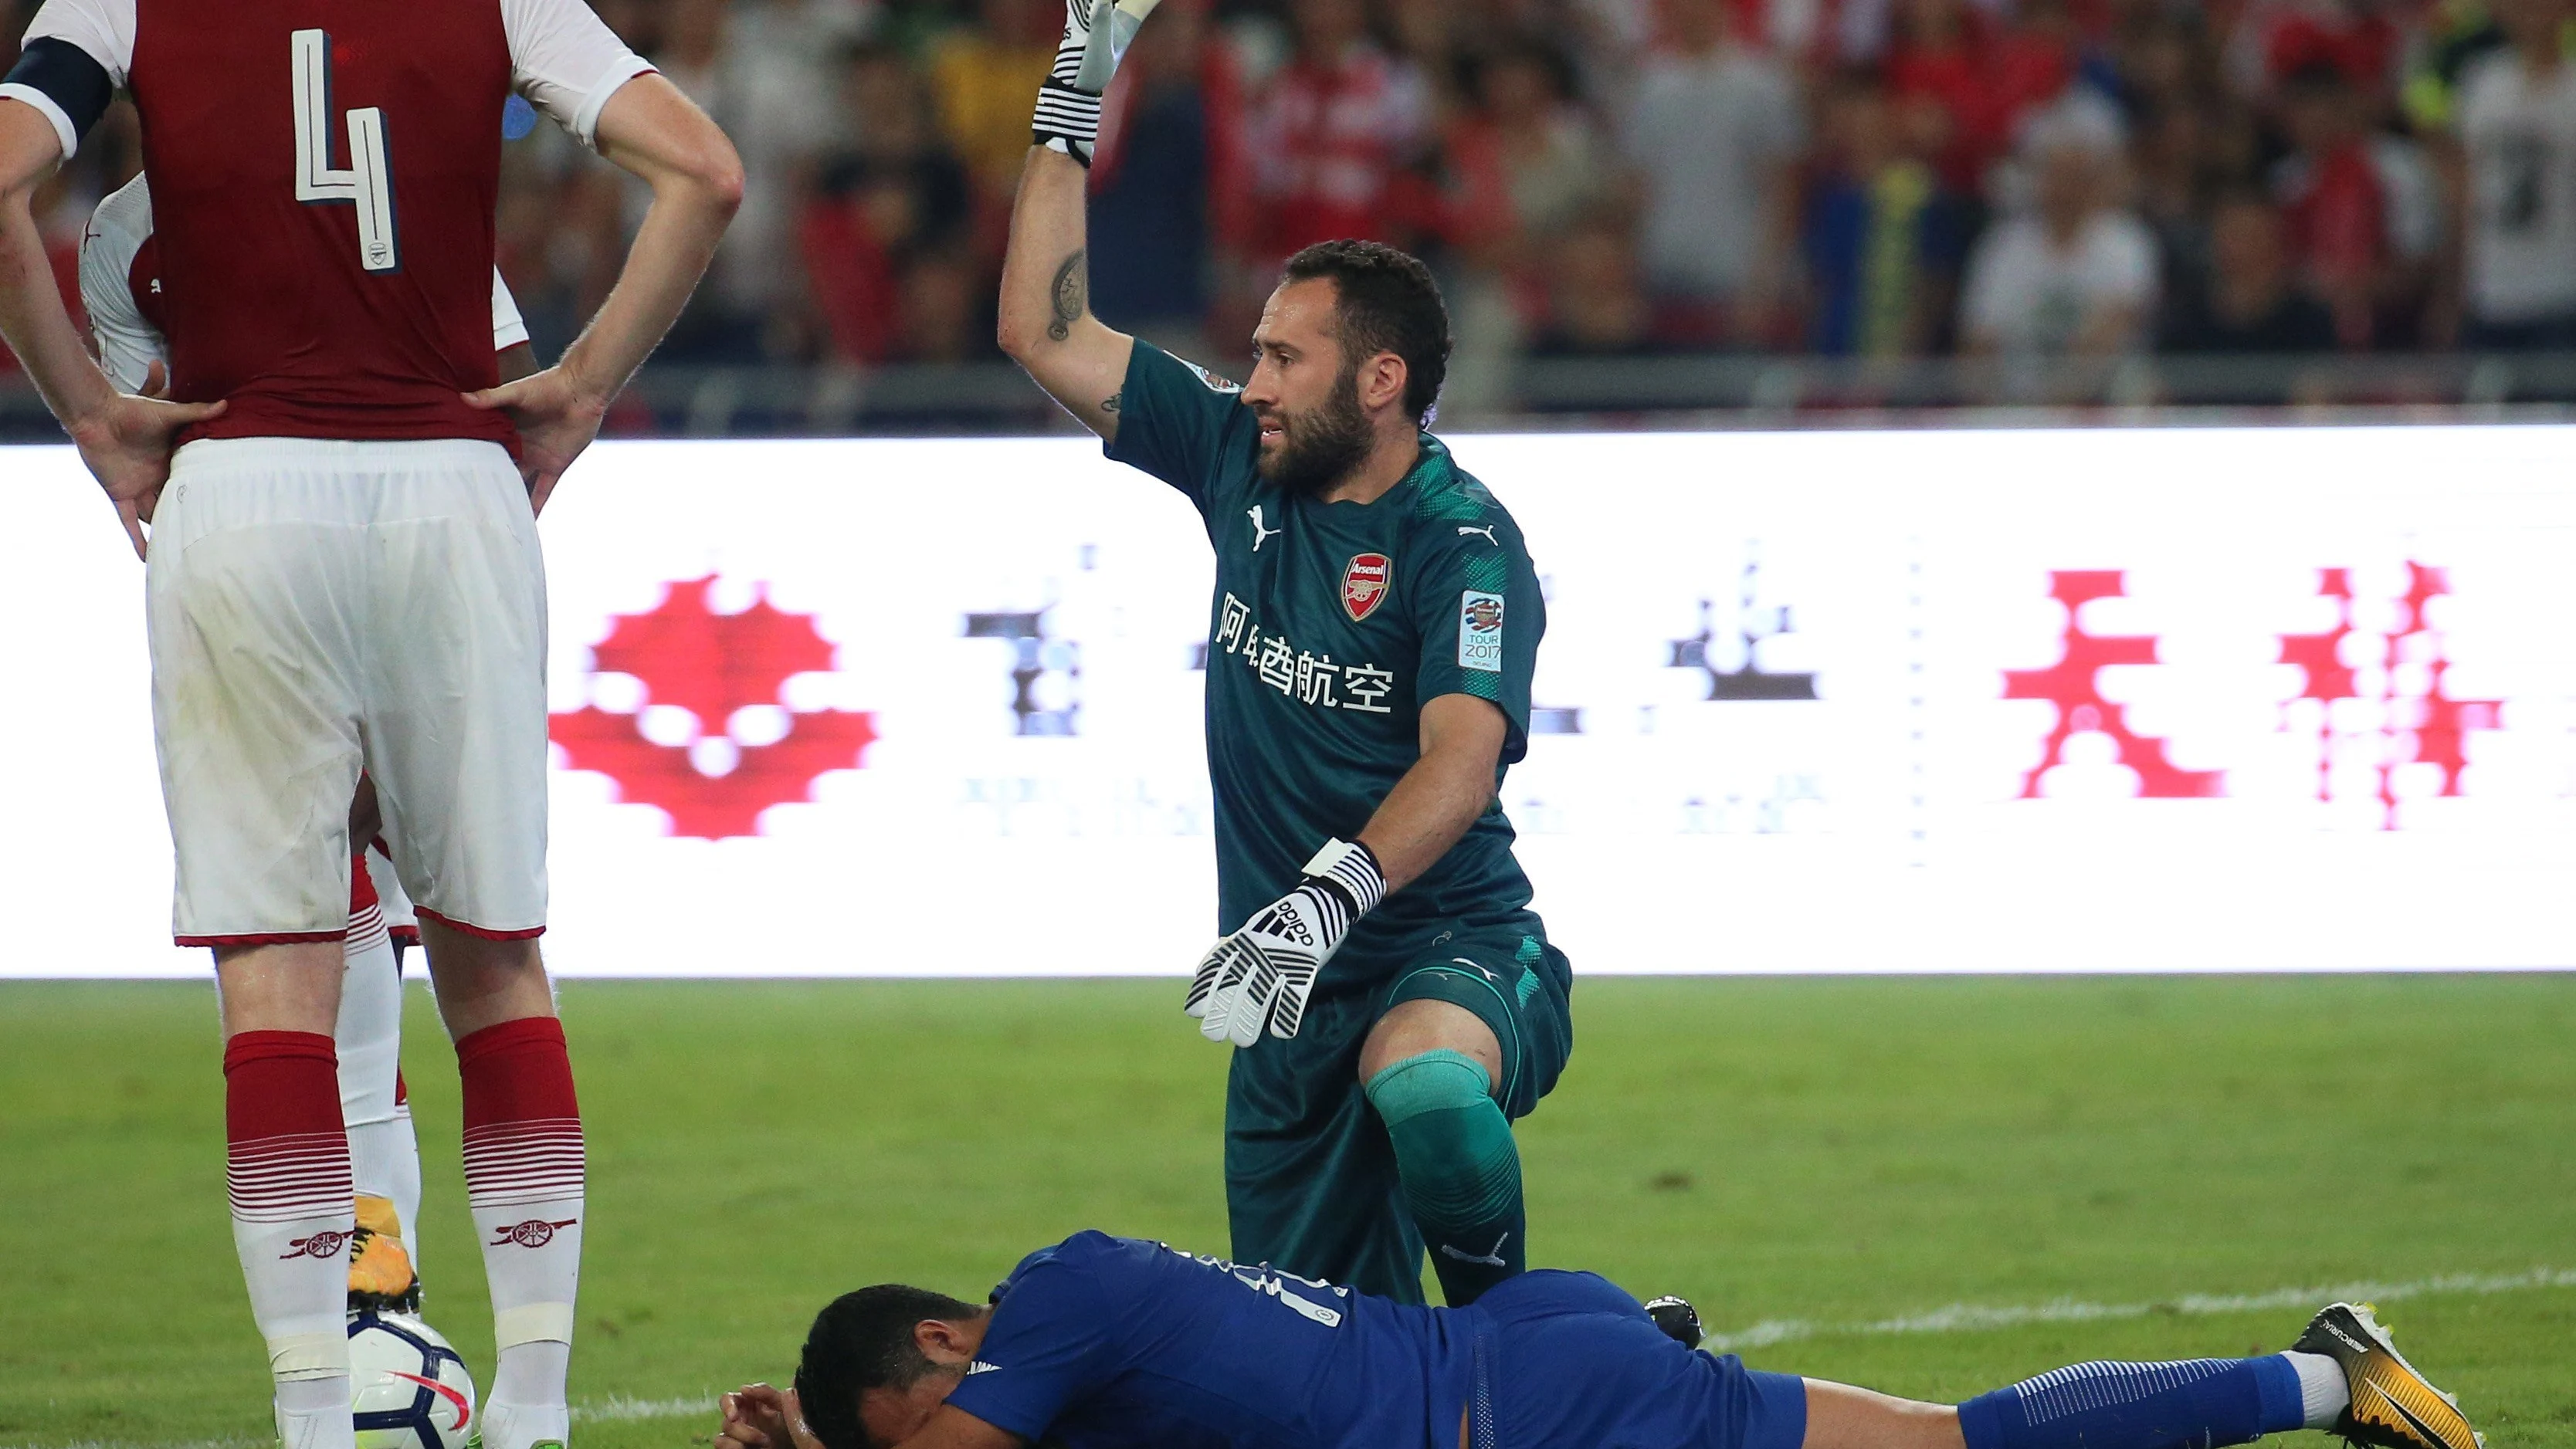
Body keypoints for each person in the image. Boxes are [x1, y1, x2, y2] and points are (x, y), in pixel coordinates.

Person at [0, 3, 741, 1447]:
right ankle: (533, 1413)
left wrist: (88, 413)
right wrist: (585, 391)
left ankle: (314, 1413)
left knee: (275, 982)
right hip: (446, 482)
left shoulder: (124, 6)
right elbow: (707, 172)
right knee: (496, 962)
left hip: (244, 479)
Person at [999, 0, 1573, 1309]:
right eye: (1253, 353)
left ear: (1377, 382)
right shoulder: (1232, 460)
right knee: (1318, 1377)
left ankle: (1521, 1337)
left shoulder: (1463, 541)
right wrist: (1075, 90)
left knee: (1426, 1086)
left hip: (1446, 937)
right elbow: (1045, 332)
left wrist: (1326, 897)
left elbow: (1464, 759)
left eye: (1280, 356)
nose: (1249, 379)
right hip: (1279, 991)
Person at [75, 169, 550, 1315]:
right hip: (282, 561)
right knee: (342, 906)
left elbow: (506, 407)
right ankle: (382, 1289)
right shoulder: (132, 227)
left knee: (370, 911)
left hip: (379, 550)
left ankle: (374, 1295)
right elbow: (150, 420)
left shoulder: (158, 217)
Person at [709, 1229, 2483, 1449]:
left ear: (949, 1338)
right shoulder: (1077, 1370)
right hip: (1528, 1355)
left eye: (911, 1414)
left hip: (1526, 1406)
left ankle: (2331, 1376)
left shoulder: (1058, 1293)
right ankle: (2326, 1372)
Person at [2449, 0, 2576, 348]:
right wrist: (2454, 286)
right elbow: (2467, 189)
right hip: (2491, 287)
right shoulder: (2482, 82)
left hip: (2562, 288)